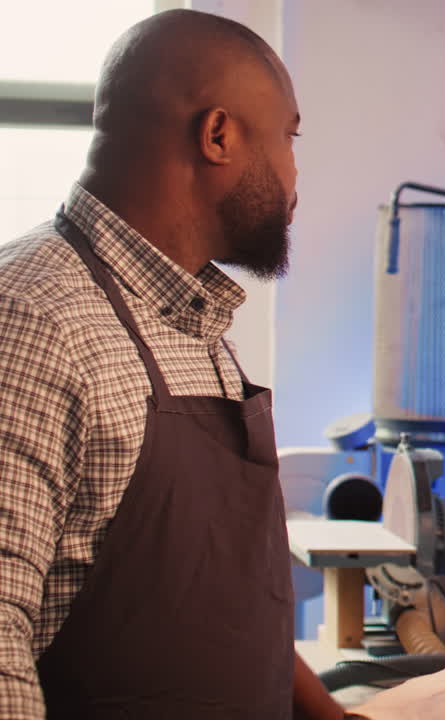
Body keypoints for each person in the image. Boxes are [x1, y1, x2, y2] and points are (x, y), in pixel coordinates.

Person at [0, 9, 345, 719]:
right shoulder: (36, 322)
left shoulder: (193, 323)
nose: (294, 176)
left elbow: (226, 609)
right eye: (290, 138)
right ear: (218, 134)